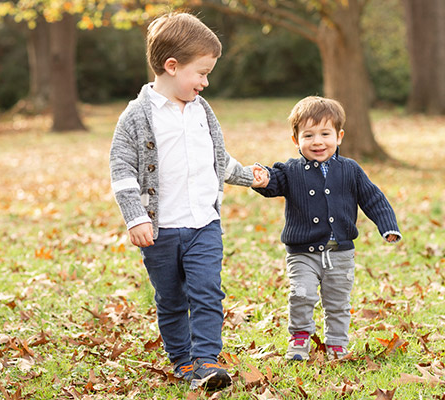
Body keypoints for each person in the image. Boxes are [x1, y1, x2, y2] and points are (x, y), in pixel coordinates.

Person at [109, 12, 268, 390]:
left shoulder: (202, 112)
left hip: (203, 224)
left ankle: (208, 361)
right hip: (161, 229)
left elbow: (215, 160)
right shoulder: (137, 117)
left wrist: (249, 176)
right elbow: (122, 170)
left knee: (208, 290)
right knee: (172, 298)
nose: (206, 82)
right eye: (201, 72)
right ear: (171, 66)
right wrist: (136, 218)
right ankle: (182, 361)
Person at [253, 96, 401, 361]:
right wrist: (262, 178)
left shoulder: (350, 170)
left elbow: (373, 198)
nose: (317, 141)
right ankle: (299, 340)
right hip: (302, 253)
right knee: (302, 293)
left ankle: (336, 344)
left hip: (340, 253)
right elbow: (274, 181)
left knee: (337, 303)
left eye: (325, 133)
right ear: (295, 140)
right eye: (308, 135)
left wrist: (387, 226)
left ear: (339, 136)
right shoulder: (291, 170)